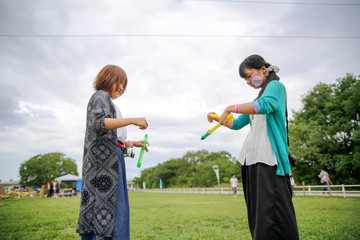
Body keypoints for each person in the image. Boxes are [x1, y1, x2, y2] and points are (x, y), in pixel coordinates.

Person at [208, 55, 299, 239]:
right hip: (251, 160)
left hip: (269, 160)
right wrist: (218, 117)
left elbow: (265, 105)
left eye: (249, 76)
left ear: (263, 69)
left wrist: (230, 107)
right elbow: (237, 124)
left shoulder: (276, 87)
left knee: (273, 214)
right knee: (258, 215)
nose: (249, 81)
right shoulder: (258, 97)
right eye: (246, 79)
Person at [76, 65, 149, 240]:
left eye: (124, 84)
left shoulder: (109, 102)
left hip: (112, 161)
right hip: (101, 168)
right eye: (120, 82)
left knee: (116, 207)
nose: (122, 88)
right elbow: (99, 123)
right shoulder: (100, 96)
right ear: (109, 78)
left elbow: (112, 139)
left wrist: (132, 143)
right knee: (106, 206)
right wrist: (132, 120)